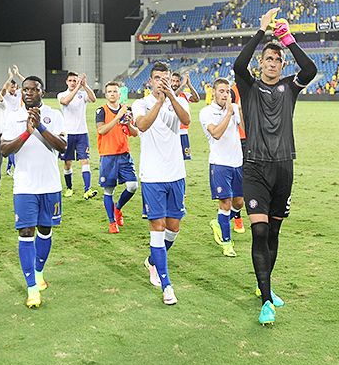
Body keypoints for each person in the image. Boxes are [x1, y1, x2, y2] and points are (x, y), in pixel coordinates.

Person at [233, 8, 317, 325]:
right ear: (261, 63)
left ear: (282, 65)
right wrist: (261, 32)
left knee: (274, 234)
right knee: (259, 230)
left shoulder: (289, 88)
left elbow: (310, 68)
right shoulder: (249, 86)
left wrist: (287, 39)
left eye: (276, 59)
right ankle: (266, 301)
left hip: (283, 168)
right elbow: (238, 64)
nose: (271, 62)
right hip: (254, 167)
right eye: (267, 58)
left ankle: (263, 283)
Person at [1, 76, 67, 308]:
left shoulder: (55, 115)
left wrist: (40, 126)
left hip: (50, 185)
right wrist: (27, 132)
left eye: (33, 89)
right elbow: (4, 149)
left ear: (42, 91)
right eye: (25, 89)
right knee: (26, 231)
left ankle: (39, 272)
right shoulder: (13, 116)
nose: (28, 92)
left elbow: (62, 146)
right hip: (25, 186)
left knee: (45, 230)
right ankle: (31, 288)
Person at [132, 61, 191, 305]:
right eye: (157, 78)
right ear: (150, 81)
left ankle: (153, 261)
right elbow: (142, 125)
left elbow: (185, 119)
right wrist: (159, 101)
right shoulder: (141, 103)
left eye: (165, 78)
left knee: (173, 228)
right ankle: (167, 285)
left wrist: (171, 97)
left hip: (176, 173)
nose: (161, 81)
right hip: (152, 176)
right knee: (157, 225)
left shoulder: (179, 101)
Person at [200, 78, 244, 257]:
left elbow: (244, 128)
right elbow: (216, 134)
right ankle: (227, 244)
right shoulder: (206, 112)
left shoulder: (233, 110)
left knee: (239, 202)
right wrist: (228, 113)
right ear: (214, 92)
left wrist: (241, 110)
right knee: (225, 203)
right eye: (222, 91)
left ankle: (219, 222)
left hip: (237, 162)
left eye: (227, 91)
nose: (225, 94)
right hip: (220, 164)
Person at [96, 81, 139, 234]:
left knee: (133, 186)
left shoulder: (127, 110)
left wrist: (127, 123)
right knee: (109, 190)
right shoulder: (101, 111)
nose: (113, 94)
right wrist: (117, 118)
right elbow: (101, 130)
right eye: (110, 92)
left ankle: (118, 207)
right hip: (108, 155)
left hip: (124, 154)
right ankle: (112, 222)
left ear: (120, 94)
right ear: (106, 95)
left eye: (115, 91)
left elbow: (134, 133)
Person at [57, 71, 97, 199]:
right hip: (68, 134)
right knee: (68, 163)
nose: (73, 83)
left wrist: (85, 86)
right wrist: (78, 88)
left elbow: (93, 99)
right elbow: (65, 102)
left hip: (82, 133)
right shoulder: (61, 95)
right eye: (71, 81)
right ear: (66, 82)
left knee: (85, 160)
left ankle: (88, 190)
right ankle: (69, 188)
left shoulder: (82, 94)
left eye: (75, 80)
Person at [228, 81, 247, 234]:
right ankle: (237, 218)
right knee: (238, 181)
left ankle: (264, 220)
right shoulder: (232, 91)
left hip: (255, 138)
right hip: (239, 140)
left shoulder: (255, 86)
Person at [1, 65, 24, 176]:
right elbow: (4, 89)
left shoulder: (18, 93)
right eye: (12, 87)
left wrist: (17, 74)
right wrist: (10, 77)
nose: (13, 89)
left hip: (19, 122)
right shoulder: (5, 96)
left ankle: (9, 168)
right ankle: (15, 168)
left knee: (18, 146)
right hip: (8, 123)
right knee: (12, 146)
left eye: (14, 87)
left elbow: (26, 84)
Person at [171, 72, 199, 160]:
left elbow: (196, 99)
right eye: (173, 81)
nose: (175, 83)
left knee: (183, 158)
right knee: (173, 157)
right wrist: (183, 85)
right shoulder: (167, 94)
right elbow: (173, 97)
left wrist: (189, 85)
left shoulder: (184, 96)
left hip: (183, 131)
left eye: (178, 81)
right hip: (172, 131)